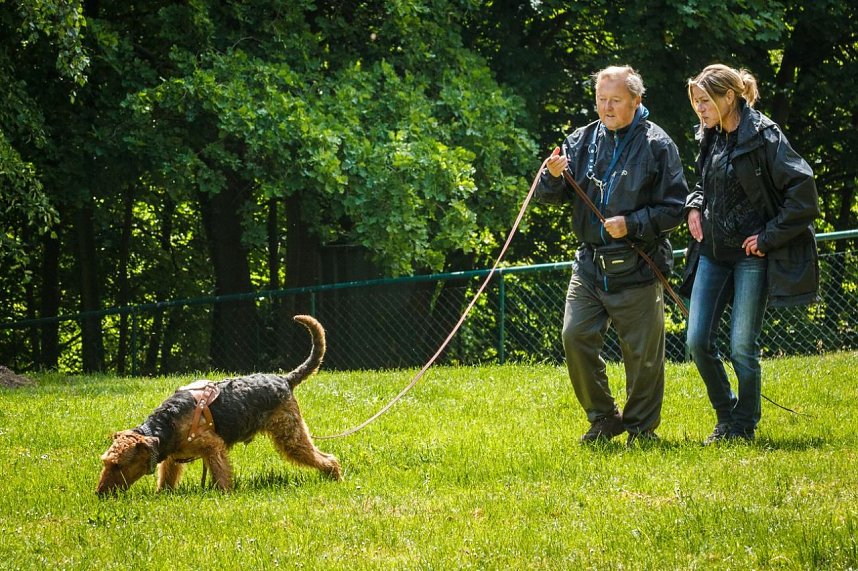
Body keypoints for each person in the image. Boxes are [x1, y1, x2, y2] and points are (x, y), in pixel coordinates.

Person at [536, 65, 688, 445]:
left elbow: (676, 208)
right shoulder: (581, 139)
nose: (606, 107)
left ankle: (641, 429)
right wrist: (552, 176)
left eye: (615, 100)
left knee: (643, 356)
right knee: (574, 335)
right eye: (601, 99)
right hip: (589, 265)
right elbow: (548, 196)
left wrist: (633, 224)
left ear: (636, 101)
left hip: (638, 264)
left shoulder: (658, 145)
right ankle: (603, 417)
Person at [684, 64, 819, 444]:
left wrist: (767, 238)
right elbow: (704, 182)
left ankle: (743, 425)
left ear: (730, 97)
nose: (700, 109)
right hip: (711, 252)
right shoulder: (710, 135)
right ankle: (726, 416)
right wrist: (694, 206)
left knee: (742, 345)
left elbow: (803, 192)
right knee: (696, 341)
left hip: (751, 256)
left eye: (705, 101)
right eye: (696, 102)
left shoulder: (764, 135)